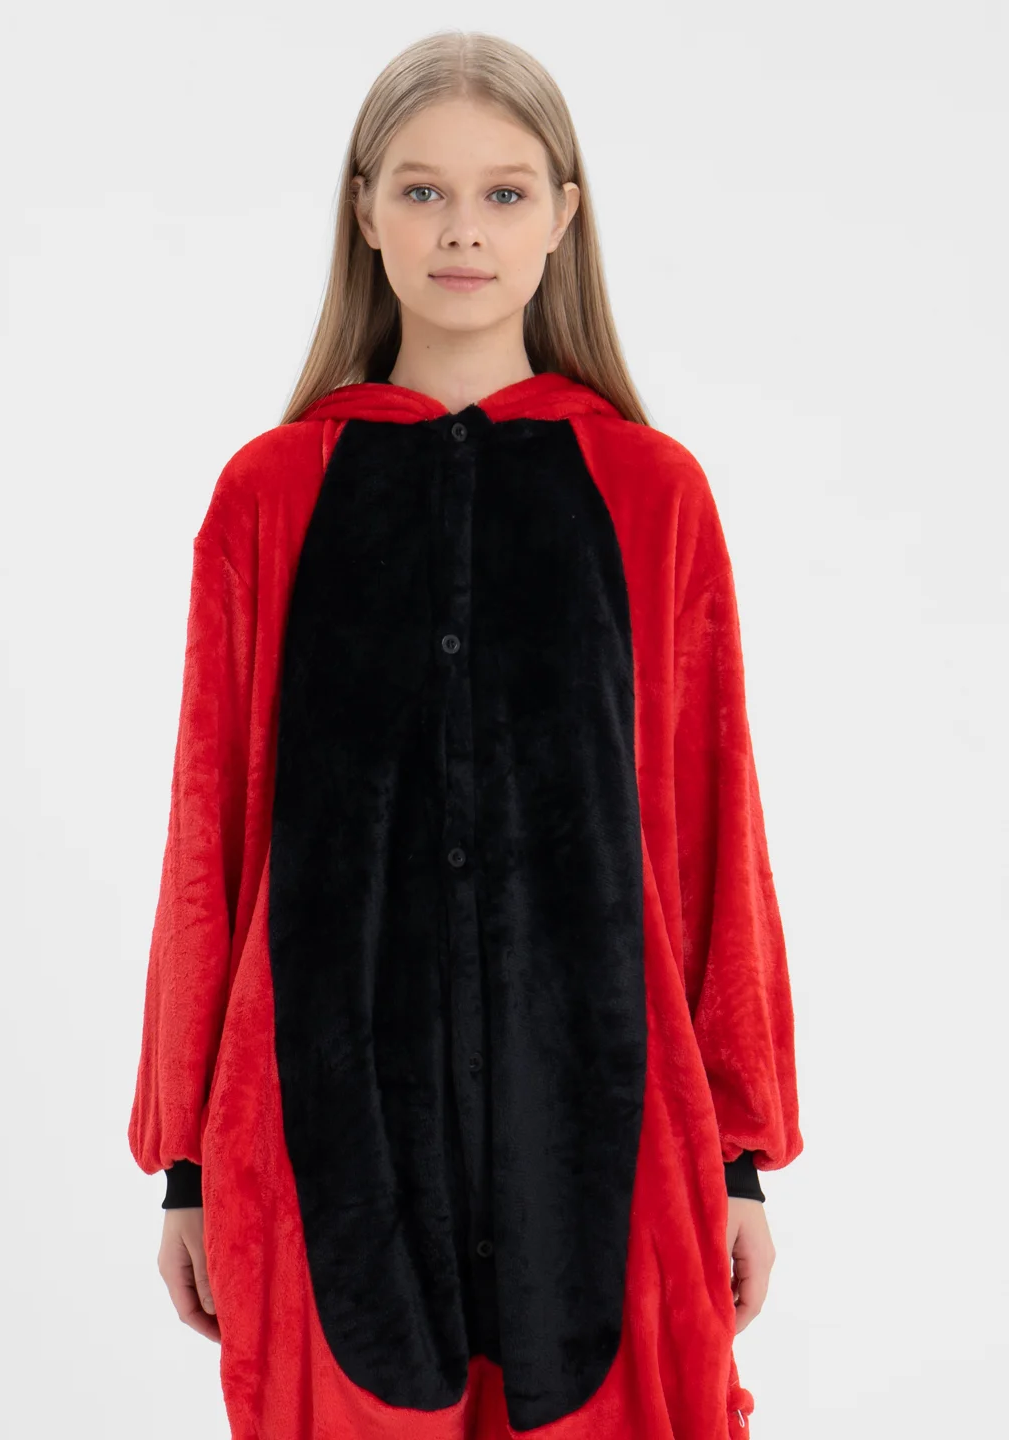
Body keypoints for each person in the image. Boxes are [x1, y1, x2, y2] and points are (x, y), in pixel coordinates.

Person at [127, 29, 803, 1440]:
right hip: (327, 1131)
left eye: (505, 193)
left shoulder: (654, 495)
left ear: (564, 216)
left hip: (604, 1129)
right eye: (423, 191)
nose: (462, 230)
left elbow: (710, 830)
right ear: (364, 212)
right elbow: (209, 838)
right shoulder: (267, 498)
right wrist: (185, 1167)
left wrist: (740, 1156)